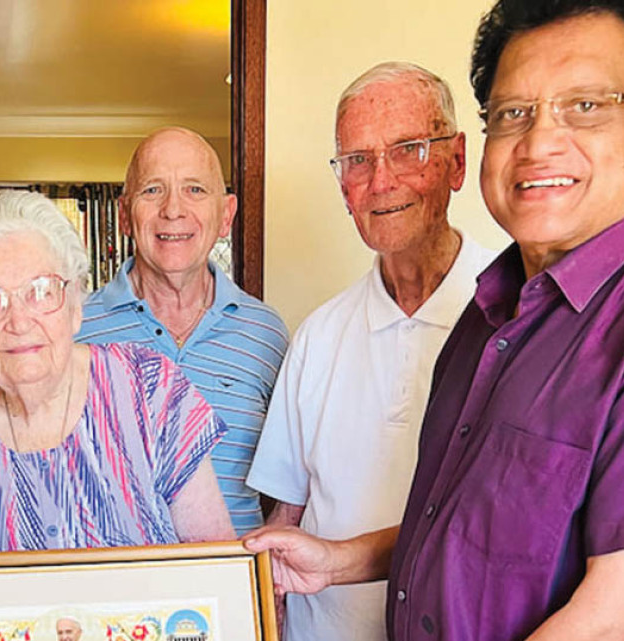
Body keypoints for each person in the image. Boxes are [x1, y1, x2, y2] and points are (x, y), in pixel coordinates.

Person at [245, 1, 624, 639]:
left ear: (453, 161)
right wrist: (336, 561)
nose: (540, 143)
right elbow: (451, 528)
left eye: (585, 106)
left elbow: (610, 608)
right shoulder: (487, 321)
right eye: (514, 114)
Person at [245, 63, 496, 641]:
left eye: (408, 149)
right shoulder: (317, 337)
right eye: (357, 160)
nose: (380, 180)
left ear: (456, 162)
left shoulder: (515, 317)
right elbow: (286, 516)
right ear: (343, 188)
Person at [0, 190, 235, 553]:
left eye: (42, 291)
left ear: (76, 304)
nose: (19, 321)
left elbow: (214, 566)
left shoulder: (150, 388)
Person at [77, 127, 289, 535]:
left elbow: (288, 484)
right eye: (152, 190)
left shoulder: (265, 335)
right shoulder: (75, 330)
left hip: (231, 590)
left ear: (226, 215)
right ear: (124, 214)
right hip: (113, 592)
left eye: (195, 189)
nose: (173, 210)